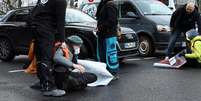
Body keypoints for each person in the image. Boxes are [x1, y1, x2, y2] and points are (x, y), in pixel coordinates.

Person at [30, 0, 67, 97]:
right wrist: (62, 40)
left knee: (40, 56)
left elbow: (34, 11)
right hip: (46, 29)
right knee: (47, 57)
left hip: (35, 27)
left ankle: (42, 82)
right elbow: (61, 21)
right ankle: (48, 87)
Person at [96, 0, 119, 79]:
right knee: (102, 54)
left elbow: (112, 21)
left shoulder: (111, 5)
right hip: (103, 34)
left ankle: (112, 73)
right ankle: (104, 72)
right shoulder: (104, 4)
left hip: (109, 35)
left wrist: (100, 27)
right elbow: (99, 17)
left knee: (110, 54)